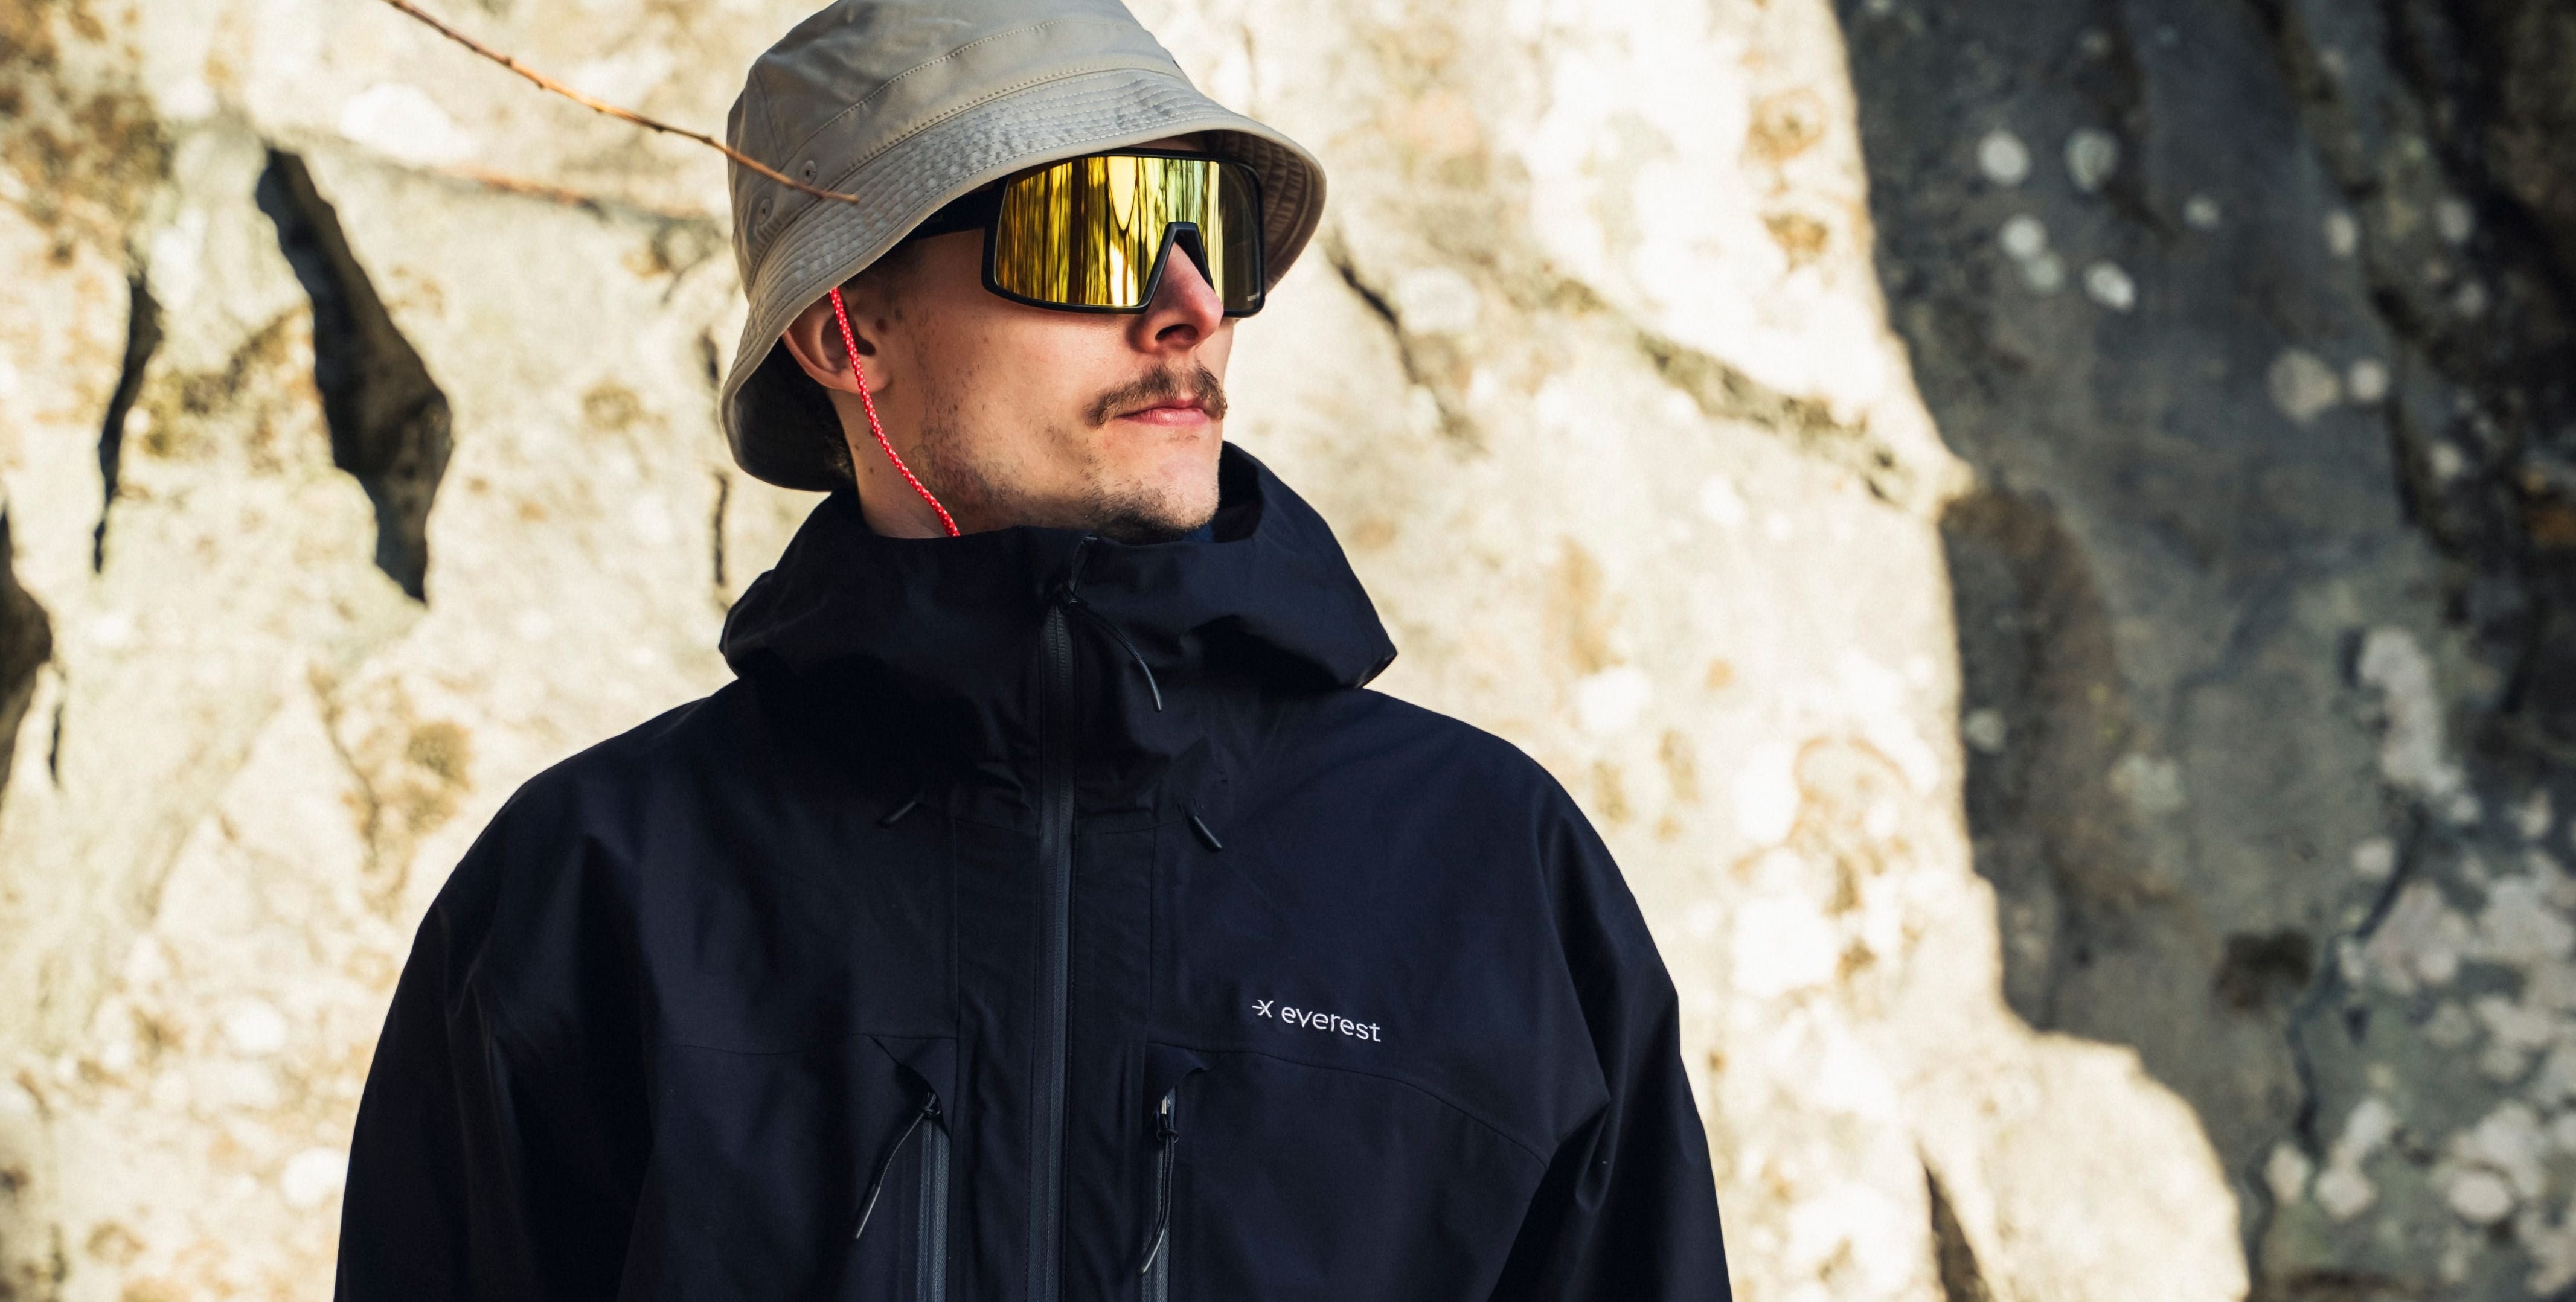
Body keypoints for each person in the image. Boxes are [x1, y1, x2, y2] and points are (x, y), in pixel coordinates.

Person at [331, 0, 1729, 1298]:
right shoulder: (597, 880)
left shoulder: (1483, 866)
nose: (1190, 303)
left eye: (1212, 231)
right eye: (1095, 227)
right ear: (846, 327)